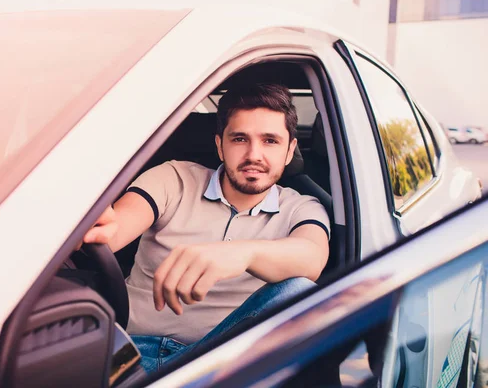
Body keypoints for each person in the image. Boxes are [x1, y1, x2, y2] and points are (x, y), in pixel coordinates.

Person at [82, 83, 330, 373]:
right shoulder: (173, 177)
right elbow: (115, 228)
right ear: (219, 145)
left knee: (297, 290)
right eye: (239, 139)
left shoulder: (302, 207)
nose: (254, 155)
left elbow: (311, 257)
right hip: (129, 352)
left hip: (215, 363)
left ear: (289, 151)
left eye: (270, 141)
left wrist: (241, 254)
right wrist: (98, 225)